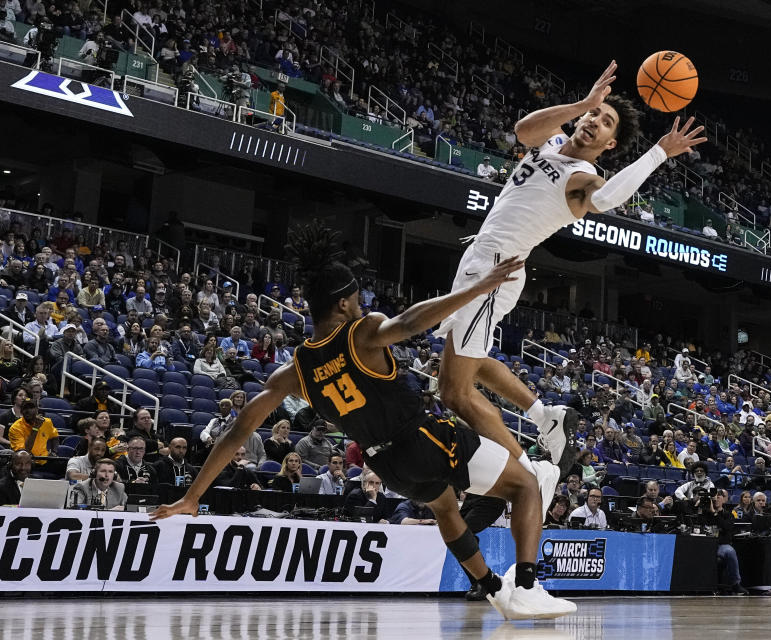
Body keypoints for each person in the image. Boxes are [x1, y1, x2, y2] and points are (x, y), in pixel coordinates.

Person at [151, 223, 576, 620]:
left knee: (445, 506)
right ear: (341, 303)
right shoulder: (361, 332)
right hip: (423, 438)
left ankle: (488, 584)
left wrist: (192, 496)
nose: (362, 304)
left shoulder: (294, 370)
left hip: (386, 467)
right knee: (526, 482)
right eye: (356, 298)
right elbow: (411, 322)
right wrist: (480, 286)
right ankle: (525, 585)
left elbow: (239, 429)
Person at [435, 61, 705, 498]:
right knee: (467, 362)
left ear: (610, 143)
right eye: (595, 114)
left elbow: (608, 199)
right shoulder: (555, 142)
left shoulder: (583, 180)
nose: (595, 121)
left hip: (494, 271)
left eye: (606, 122)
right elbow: (523, 131)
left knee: (454, 391)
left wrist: (658, 152)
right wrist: (583, 102)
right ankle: (546, 417)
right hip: (482, 260)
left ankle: (528, 474)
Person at [8, 397, 59, 464]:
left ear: (37, 409)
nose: (28, 410)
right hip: (26, 463)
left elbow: (55, 436)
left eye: (31, 407)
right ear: (21, 411)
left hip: (44, 460)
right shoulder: (15, 428)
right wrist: (35, 428)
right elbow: (24, 452)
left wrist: (54, 452)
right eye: (25, 408)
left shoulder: (47, 422)